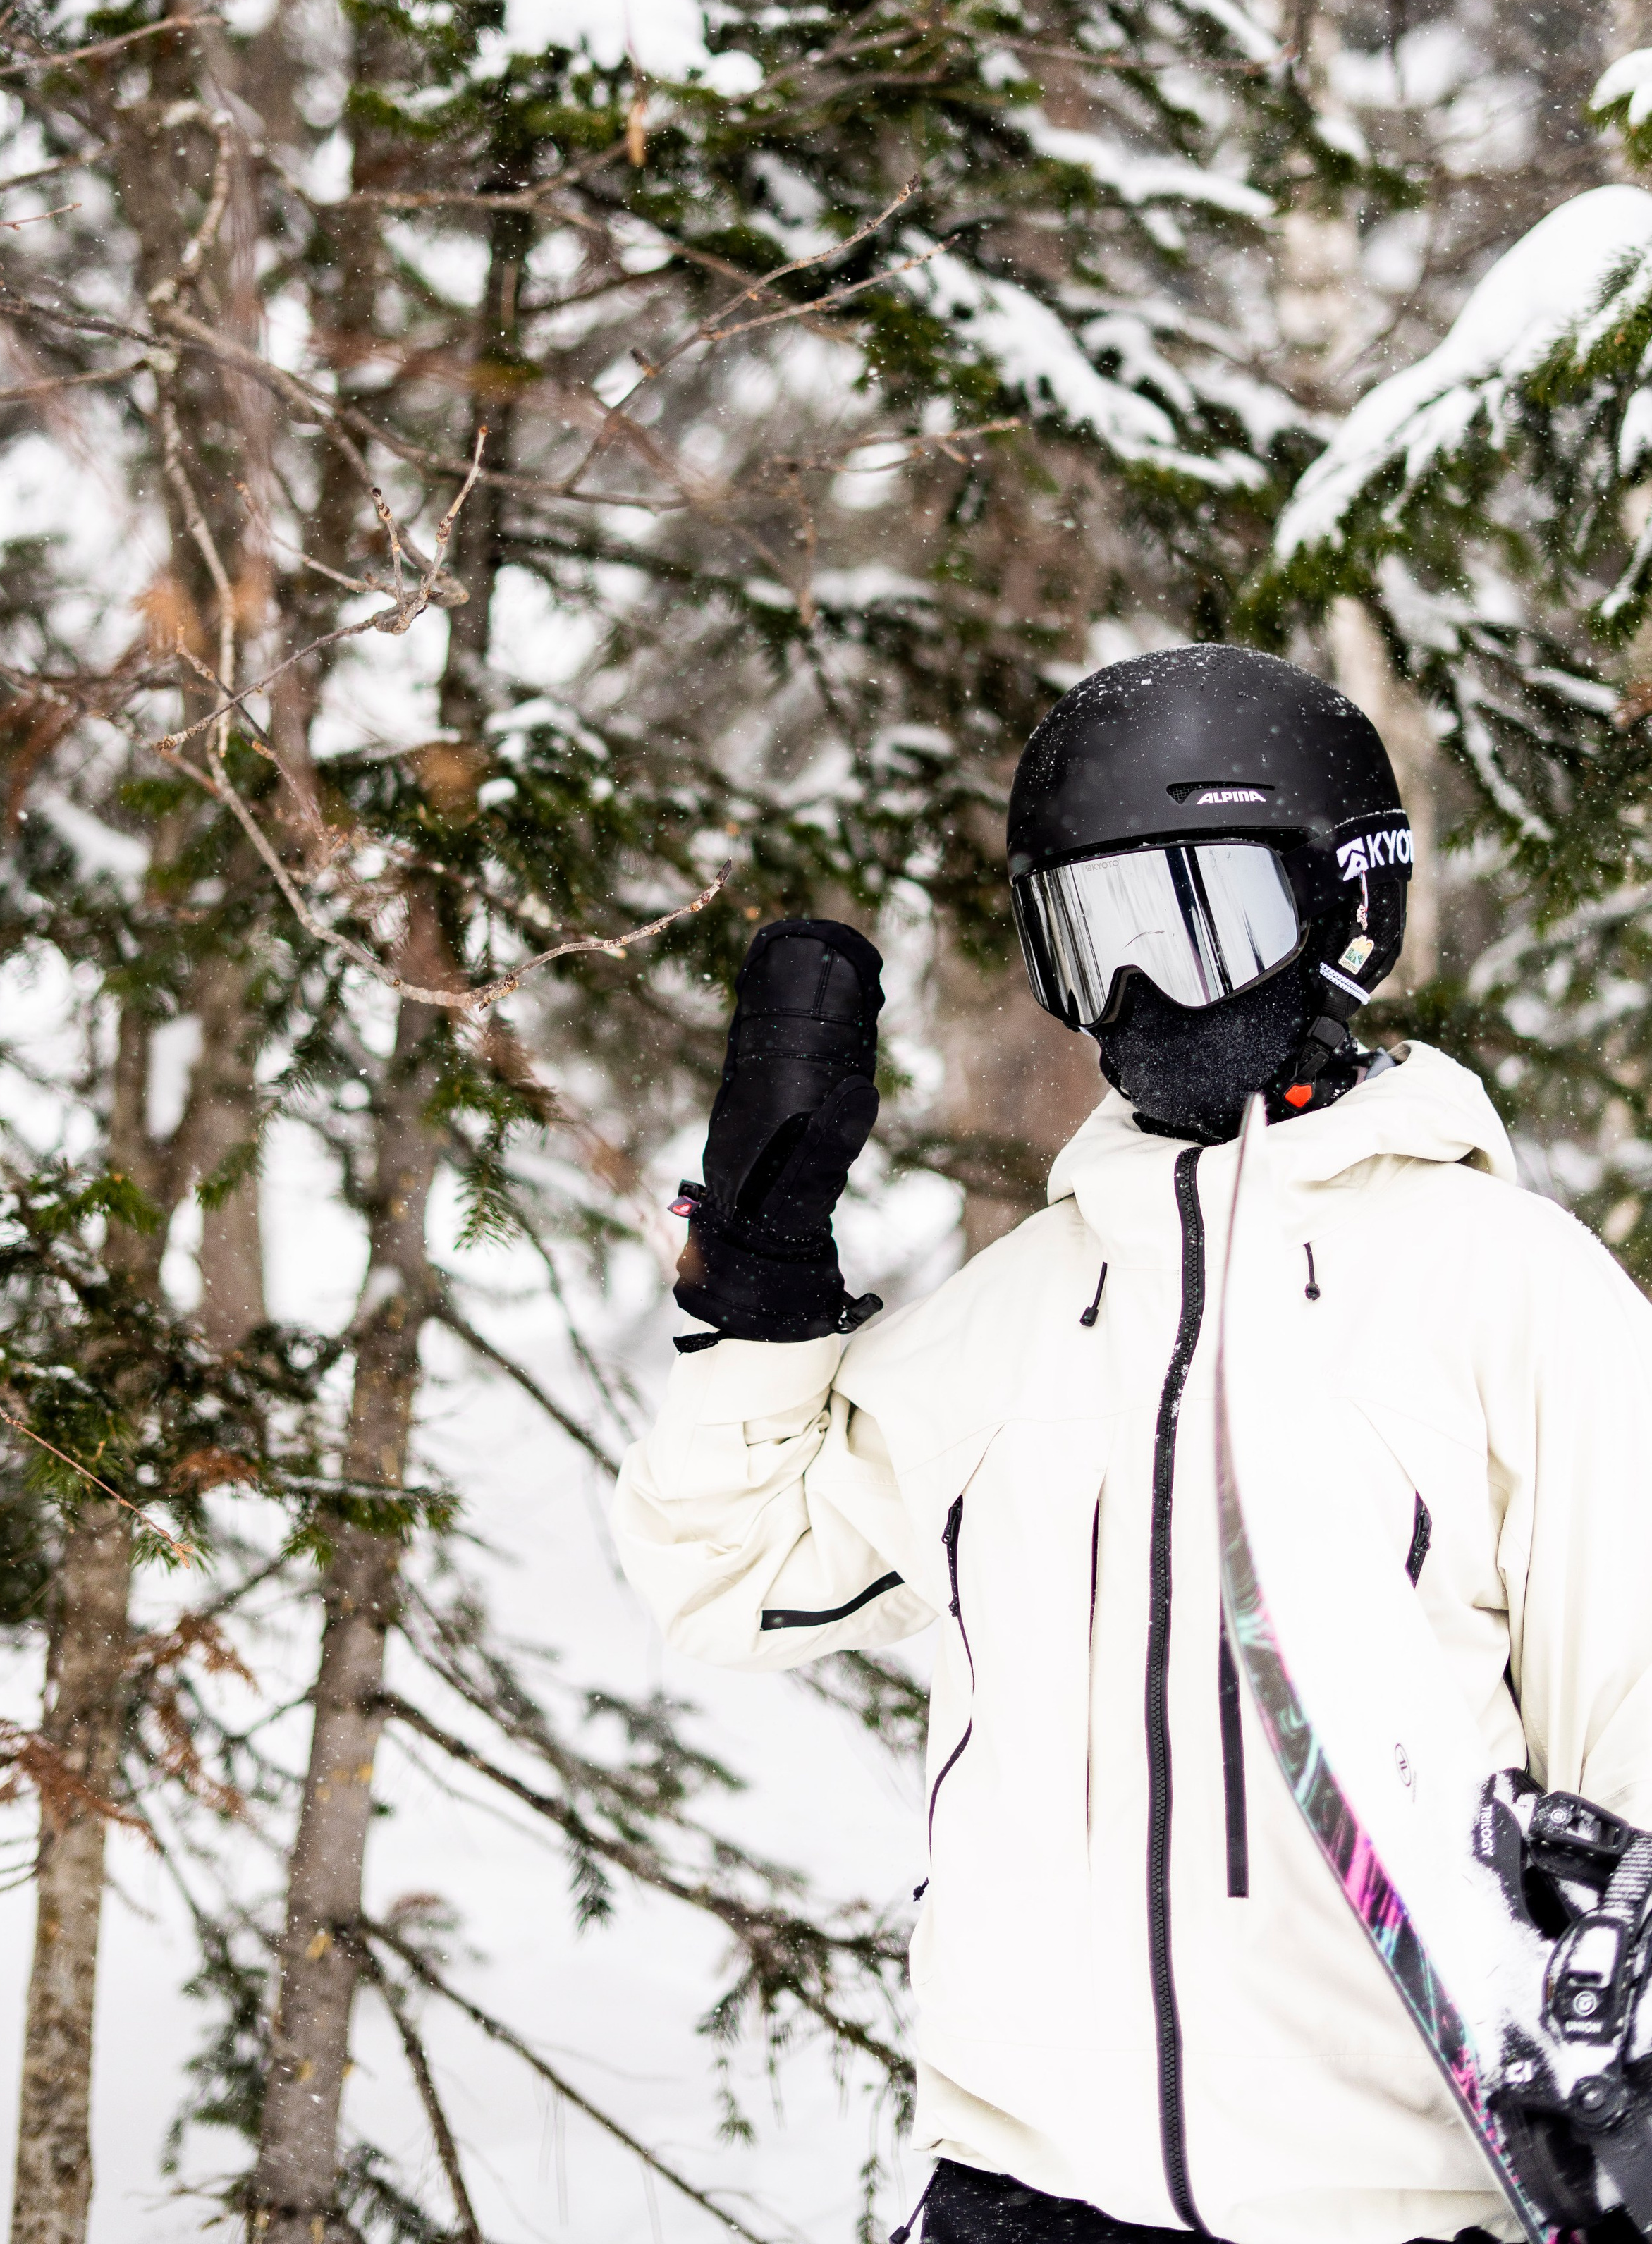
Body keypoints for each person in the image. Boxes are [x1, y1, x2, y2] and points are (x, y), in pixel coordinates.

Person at [611, 644, 1652, 2244]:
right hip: (1020, 2195)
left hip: (1387, 2202)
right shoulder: (1023, 1308)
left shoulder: (1502, 1287)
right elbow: (725, 1575)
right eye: (1090, 941)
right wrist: (757, 1283)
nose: (1146, 999)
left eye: (1198, 922)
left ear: (1341, 912)